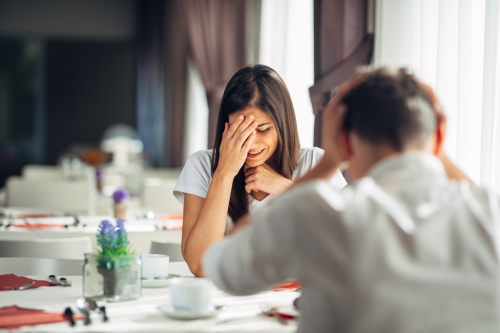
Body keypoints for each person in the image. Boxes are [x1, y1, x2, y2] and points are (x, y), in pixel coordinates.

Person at [202, 67, 500, 333]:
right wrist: (440, 145)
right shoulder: (490, 211)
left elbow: (222, 264)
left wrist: (327, 162)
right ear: (439, 134)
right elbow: (480, 202)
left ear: (343, 140)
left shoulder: (320, 213)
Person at [174, 65, 347, 276]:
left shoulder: (315, 163)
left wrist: (286, 189)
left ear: (282, 124)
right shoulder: (201, 165)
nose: (252, 143)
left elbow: (342, 247)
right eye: (240, 131)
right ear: (226, 126)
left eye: (263, 130)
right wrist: (224, 173)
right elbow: (201, 266)